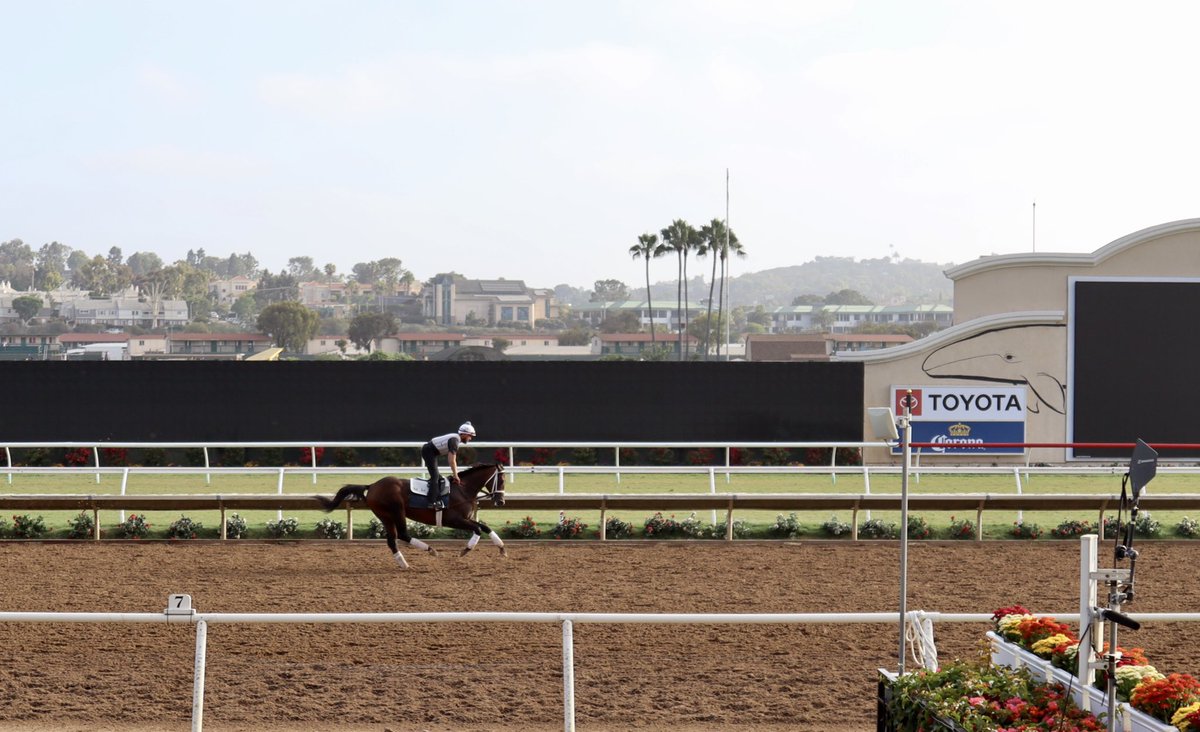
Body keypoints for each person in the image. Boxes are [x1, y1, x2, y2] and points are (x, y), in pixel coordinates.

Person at [421, 421, 476, 510]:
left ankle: (436, 499)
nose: (470, 438)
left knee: (438, 477)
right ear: (464, 434)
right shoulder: (454, 441)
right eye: (470, 436)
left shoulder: (455, 439)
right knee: (435, 477)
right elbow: (452, 461)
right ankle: (431, 502)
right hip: (429, 451)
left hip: (430, 451)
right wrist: (456, 475)